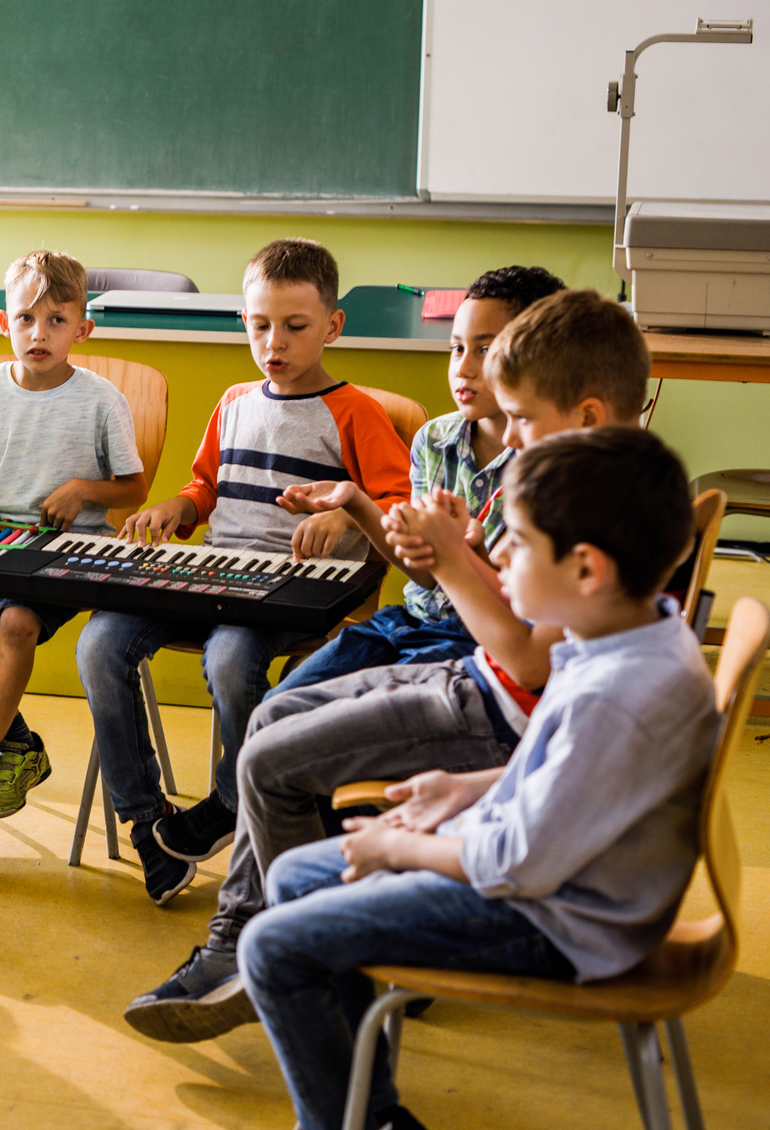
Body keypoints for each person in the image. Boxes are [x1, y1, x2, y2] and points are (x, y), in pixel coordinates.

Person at [124, 285, 651, 1040]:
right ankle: (295, 937)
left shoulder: (592, 505)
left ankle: (268, 945)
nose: (513, 437)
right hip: (463, 667)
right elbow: (490, 598)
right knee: (273, 717)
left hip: (488, 691)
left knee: (273, 760)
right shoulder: (549, 475)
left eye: (524, 418)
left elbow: (526, 657)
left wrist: (455, 558)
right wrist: (445, 550)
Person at [240, 427, 711, 1130]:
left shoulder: (613, 691)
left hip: (560, 919)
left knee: (271, 945)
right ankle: (368, 1116)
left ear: (587, 569)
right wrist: (468, 787)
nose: (497, 556)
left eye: (516, 542)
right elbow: (574, 774)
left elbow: (515, 860)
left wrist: (397, 850)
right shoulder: (632, 632)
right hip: (568, 880)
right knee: (294, 879)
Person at [76, 239, 412, 903]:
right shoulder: (233, 401)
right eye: (260, 326)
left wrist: (347, 517)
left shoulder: (356, 413)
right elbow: (206, 487)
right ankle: (149, 824)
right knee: (100, 641)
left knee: (231, 663)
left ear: (332, 327)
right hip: (214, 574)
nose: (274, 343)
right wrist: (177, 505)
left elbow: (397, 505)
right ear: (244, 324)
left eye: (294, 327)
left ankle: (238, 800)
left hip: (290, 593)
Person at [0, 250, 147, 843]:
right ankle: (20, 746)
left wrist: (82, 490)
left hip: (73, 548)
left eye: (56, 321)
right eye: (25, 319)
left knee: (17, 622)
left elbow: (134, 488)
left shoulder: (101, 400)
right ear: (3, 322)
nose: (38, 334)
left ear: (82, 329)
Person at [269, 266, 566, 690]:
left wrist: (468, 551)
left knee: (355, 725)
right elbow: (426, 575)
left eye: (485, 351)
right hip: (409, 623)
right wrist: (355, 500)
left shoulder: (554, 463)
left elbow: (521, 615)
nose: (463, 368)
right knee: (282, 702)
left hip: (482, 644)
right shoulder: (434, 439)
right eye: (456, 348)